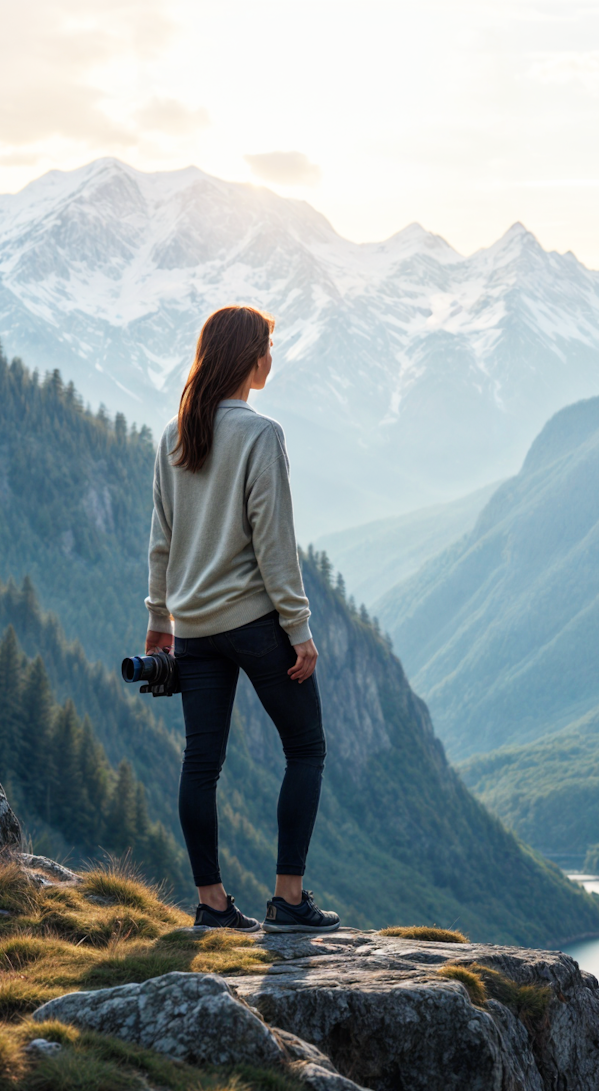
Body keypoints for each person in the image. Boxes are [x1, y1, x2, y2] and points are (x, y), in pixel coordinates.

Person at [145, 305, 340, 934]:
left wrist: (159, 620)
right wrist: (300, 629)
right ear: (250, 358)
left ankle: (213, 905)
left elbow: (162, 542)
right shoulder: (261, 434)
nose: (272, 359)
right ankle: (287, 900)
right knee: (305, 748)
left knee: (201, 764)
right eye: (268, 348)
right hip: (256, 624)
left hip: (195, 629)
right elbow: (273, 543)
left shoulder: (176, 434)